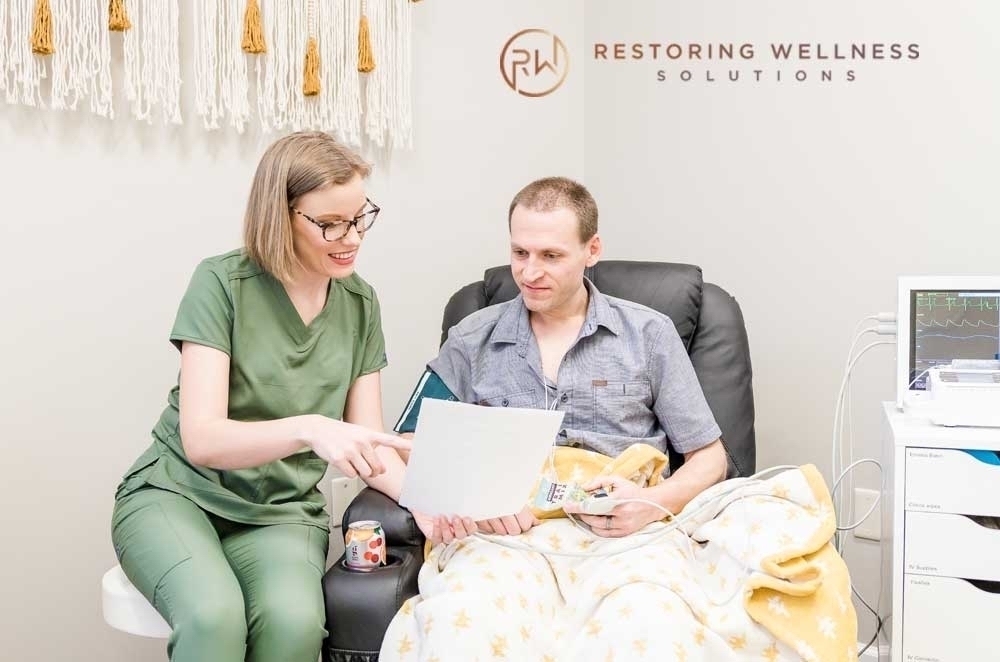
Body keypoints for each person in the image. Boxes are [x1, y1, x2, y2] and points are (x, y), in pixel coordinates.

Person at [110, 131, 411, 662]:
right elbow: (202, 440)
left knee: (294, 627)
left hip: (281, 513)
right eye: (330, 223)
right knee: (214, 618)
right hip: (178, 495)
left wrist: (432, 507)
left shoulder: (361, 304)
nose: (352, 237)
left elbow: (371, 448)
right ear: (281, 214)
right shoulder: (222, 282)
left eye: (360, 216)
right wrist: (309, 427)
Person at [394, 176, 728, 542]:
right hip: (509, 540)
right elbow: (410, 443)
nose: (529, 272)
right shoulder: (471, 339)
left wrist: (651, 503)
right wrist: (471, 496)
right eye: (520, 253)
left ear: (592, 249)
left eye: (551, 256)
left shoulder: (650, 334)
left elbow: (710, 458)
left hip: (627, 539)